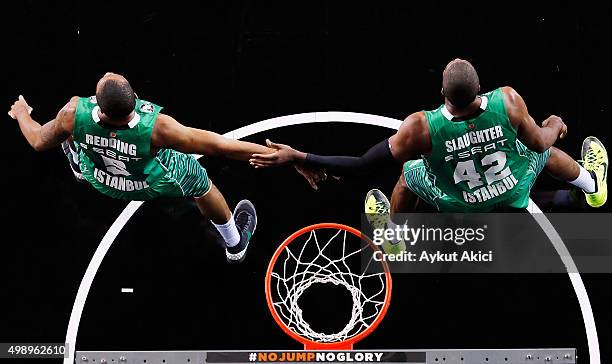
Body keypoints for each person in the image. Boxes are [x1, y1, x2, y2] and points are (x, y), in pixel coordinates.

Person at [8, 72, 321, 263]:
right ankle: (234, 242)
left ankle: (78, 165)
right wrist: (291, 157)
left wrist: (22, 112)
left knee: (65, 136)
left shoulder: (73, 112)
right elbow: (221, 146)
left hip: (101, 179)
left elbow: (37, 140)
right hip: (148, 182)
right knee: (201, 183)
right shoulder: (158, 128)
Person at [249, 59, 608, 219]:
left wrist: (299, 155)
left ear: (441, 90)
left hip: (458, 202)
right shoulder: (508, 101)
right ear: (481, 88)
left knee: (408, 173)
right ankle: (593, 184)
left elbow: (360, 166)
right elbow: (541, 143)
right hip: (513, 189)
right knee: (538, 151)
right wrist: (555, 124)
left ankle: (392, 239)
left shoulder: (422, 127)